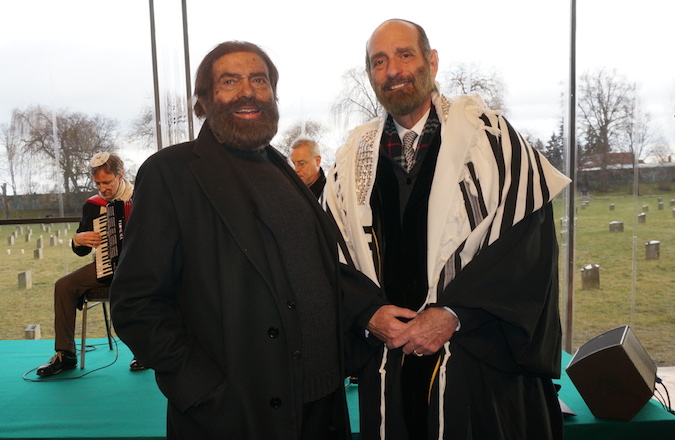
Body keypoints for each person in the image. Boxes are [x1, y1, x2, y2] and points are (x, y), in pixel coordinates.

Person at [110, 41, 390, 439]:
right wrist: (201, 387)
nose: (247, 91)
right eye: (229, 81)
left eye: (259, 80)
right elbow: (136, 303)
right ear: (204, 101)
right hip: (235, 414)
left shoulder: (282, 169)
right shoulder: (172, 173)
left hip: (322, 404)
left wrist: (370, 312)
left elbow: (313, 268)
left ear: (274, 96)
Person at [323, 19, 572, 439]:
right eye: (379, 61)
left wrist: (454, 314)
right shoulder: (351, 158)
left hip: (476, 366)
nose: (393, 70)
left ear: (432, 61)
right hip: (388, 365)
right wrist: (368, 313)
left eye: (405, 54)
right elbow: (328, 251)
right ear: (369, 75)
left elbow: (527, 245)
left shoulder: (492, 140)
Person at [37, 152, 144, 376]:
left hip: (140, 270)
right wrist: (77, 240)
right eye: (97, 183)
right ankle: (65, 354)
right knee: (64, 285)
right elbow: (82, 249)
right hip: (106, 268)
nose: (102, 188)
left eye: (107, 182)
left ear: (120, 176)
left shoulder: (142, 198)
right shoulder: (93, 206)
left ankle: (144, 351)